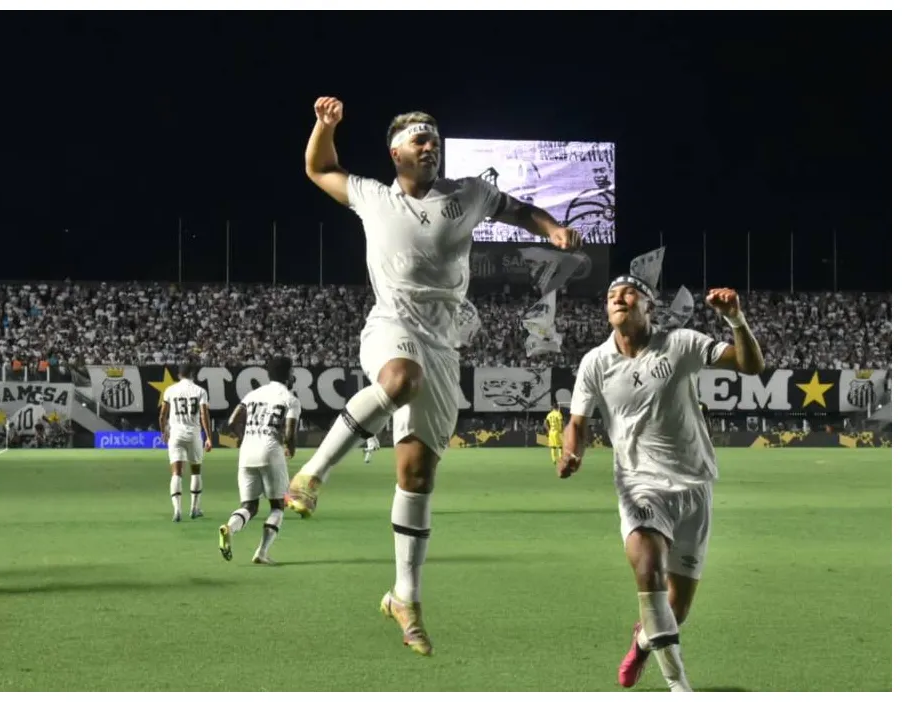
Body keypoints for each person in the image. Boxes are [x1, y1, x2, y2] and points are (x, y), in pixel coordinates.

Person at [286, 96, 581, 656]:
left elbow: (519, 211)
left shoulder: (467, 194)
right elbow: (319, 168)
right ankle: (311, 475)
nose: (430, 145)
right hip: (392, 323)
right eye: (420, 139)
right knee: (399, 379)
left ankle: (405, 597)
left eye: (434, 138)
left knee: (416, 475)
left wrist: (553, 228)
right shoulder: (372, 196)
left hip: (444, 343)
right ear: (395, 151)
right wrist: (323, 127)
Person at [558, 278, 764, 692]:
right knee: (648, 571)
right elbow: (576, 422)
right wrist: (572, 451)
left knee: (676, 607)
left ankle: (642, 640)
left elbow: (751, 366)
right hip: (638, 484)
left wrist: (736, 320)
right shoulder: (595, 363)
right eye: (611, 293)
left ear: (649, 306)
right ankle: (679, 686)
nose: (617, 297)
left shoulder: (681, 343)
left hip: (694, 484)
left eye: (628, 293)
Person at [219, 356, 300, 565]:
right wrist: (290, 448)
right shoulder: (290, 399)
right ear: (288, 374)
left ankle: (229, 528)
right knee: (277, 506)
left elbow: (231, 421)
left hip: (247, 452)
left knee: (249, 506)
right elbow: (290, 433)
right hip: (271, 451)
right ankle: (262, 552)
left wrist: (240, 437)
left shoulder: (252, 394)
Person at [159, 364, 212, 522]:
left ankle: (177, 510)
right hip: (193, 434)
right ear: (192, 374)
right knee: (196, 471)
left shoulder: (170, 390)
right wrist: (208, 436)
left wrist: (164, 432)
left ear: (179, 375)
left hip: (176, 434)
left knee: (176, 473)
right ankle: (194, 509)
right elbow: (204, 414)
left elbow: (162, 415)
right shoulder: (200, 391)